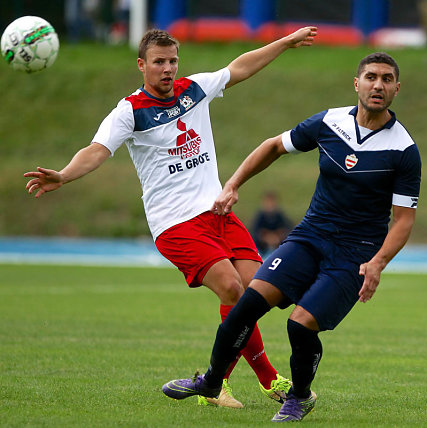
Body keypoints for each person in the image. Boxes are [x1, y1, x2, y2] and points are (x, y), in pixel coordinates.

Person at [24, 26, 318, 408]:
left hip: (218, 213)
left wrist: (285, 42)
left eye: (172, 61)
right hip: (175, 223)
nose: (167, 69)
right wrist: (63, 175)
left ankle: (214, 384)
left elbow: (239, 68)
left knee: (259, 289)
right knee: (232, 288)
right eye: (159, 62)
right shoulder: (129, 111)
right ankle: (267, 380)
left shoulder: (194, 89)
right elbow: (97, 150)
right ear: (141, 65)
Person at [161, 52, 422, 422]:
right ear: (357, 83)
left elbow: (403, 221)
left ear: (397, 88)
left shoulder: (404, 150)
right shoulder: (330, 122)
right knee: (246, 306)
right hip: (309, 236)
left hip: (355, 254)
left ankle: (300, 396)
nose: (377, 85)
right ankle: (212, 382)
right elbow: (272, 146)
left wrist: (377, 262)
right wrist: (232, 184)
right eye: (370, 77)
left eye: (386, 79)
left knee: (300, 324)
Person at [251, 191, 292, 257]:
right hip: (262, 250)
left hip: (278, 250)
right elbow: (255, 233)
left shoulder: (280, 216)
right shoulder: (260, 217)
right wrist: (266, 238)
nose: (270, 205)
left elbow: (287, 230)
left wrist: (277, 237)